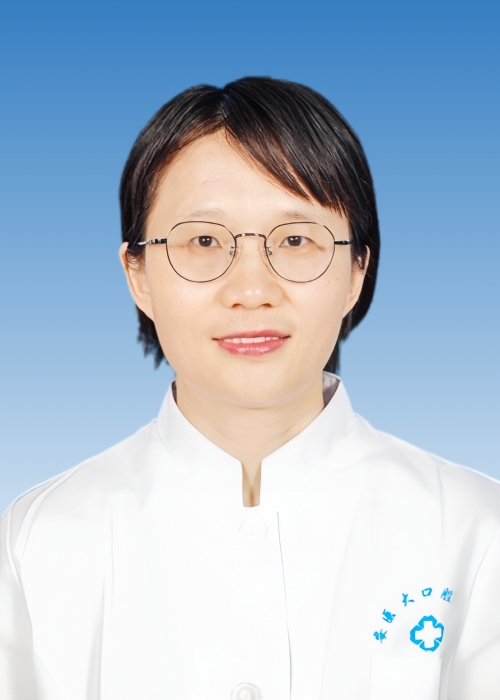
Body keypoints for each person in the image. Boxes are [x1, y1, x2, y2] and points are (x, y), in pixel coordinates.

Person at [0, 77, 498, 700]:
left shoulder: (475, 529)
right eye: (204, 241)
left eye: (296, 240)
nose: (252, 289)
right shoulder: (39, 539)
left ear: (357, 271)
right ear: (139, 275)